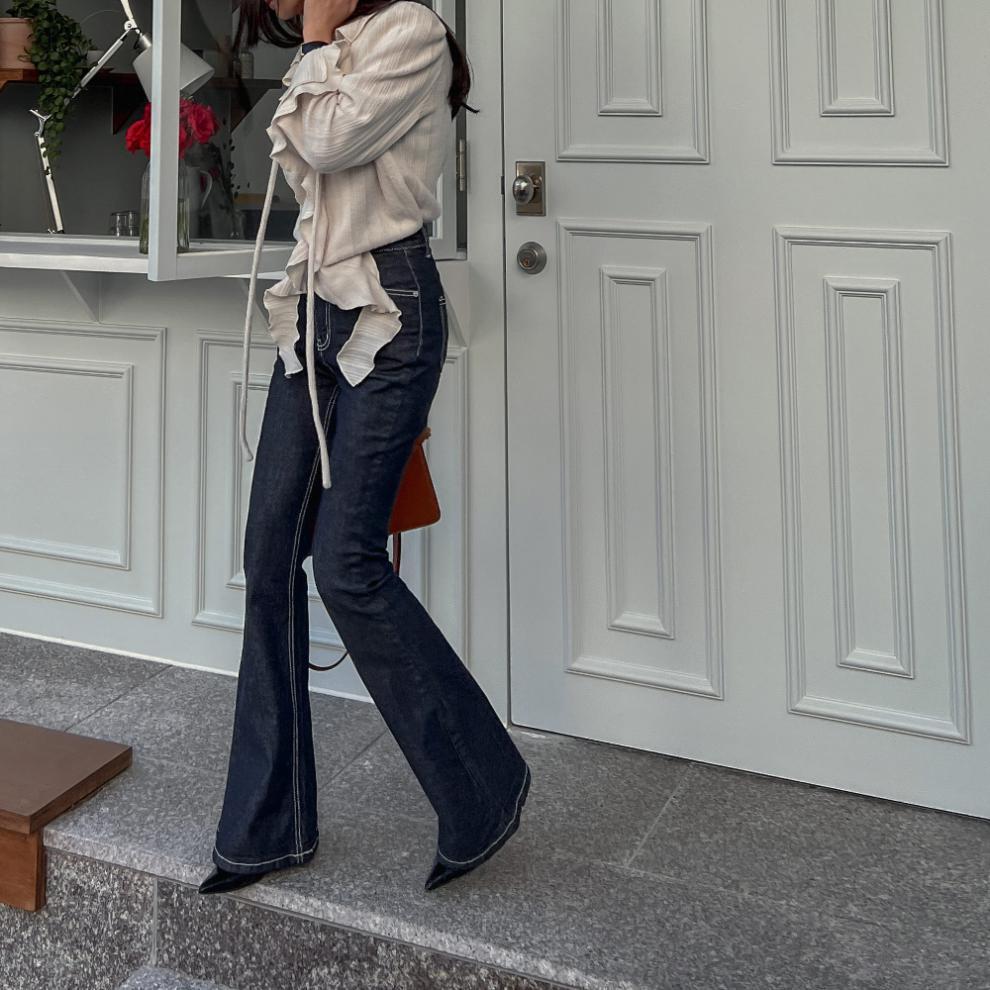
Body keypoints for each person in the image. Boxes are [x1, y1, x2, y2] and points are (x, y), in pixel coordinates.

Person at [198, 0, 531, 897]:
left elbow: (333, 142)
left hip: (389, 309)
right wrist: (316, 46)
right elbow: (301, 151)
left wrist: (312, 45)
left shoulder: (412, 31)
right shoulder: (336, 47)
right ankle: (266, 823)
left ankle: (484, 785)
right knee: (268, 554)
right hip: (313, 312)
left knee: (345, 563)